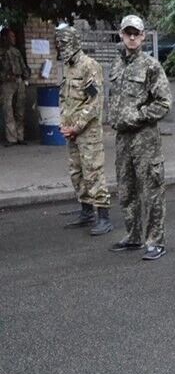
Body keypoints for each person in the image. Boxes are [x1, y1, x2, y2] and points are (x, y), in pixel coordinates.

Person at [108, 15, 172, 260]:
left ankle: (155, 241)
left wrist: (138, 115)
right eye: (128, 33)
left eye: (136, 33)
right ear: (121, 35)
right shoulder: (117, 65)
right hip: (123, 138)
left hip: (145, 137)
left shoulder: (151, 66)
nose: (132, 37)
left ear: (143, 36)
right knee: (126, 189)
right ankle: (133, 235)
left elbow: (164, 103)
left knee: (152, 189)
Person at [54, 25, 112, 235]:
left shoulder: (89, 66)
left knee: (93, 172)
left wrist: (76, 127)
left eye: (64, 43)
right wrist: (64, 123)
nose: (61, 47)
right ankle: (86, 212)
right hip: (71, 132)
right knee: (76, 172)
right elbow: (65, 98)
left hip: (87, 132)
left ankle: (103, 217)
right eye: (59, 44)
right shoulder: (68, 67)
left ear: (74, 42)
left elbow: (94, 102)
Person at [0, 27, 30, 146]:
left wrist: (26, 78)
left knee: (20, 109)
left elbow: (22, 65)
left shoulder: (16, 51)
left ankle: (20, 136)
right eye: (11, 36)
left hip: (19, 81)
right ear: (4, 37)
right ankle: (11, 138)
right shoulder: (1, 52)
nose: (14, 38)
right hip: (6, 83)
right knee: (8, 110)